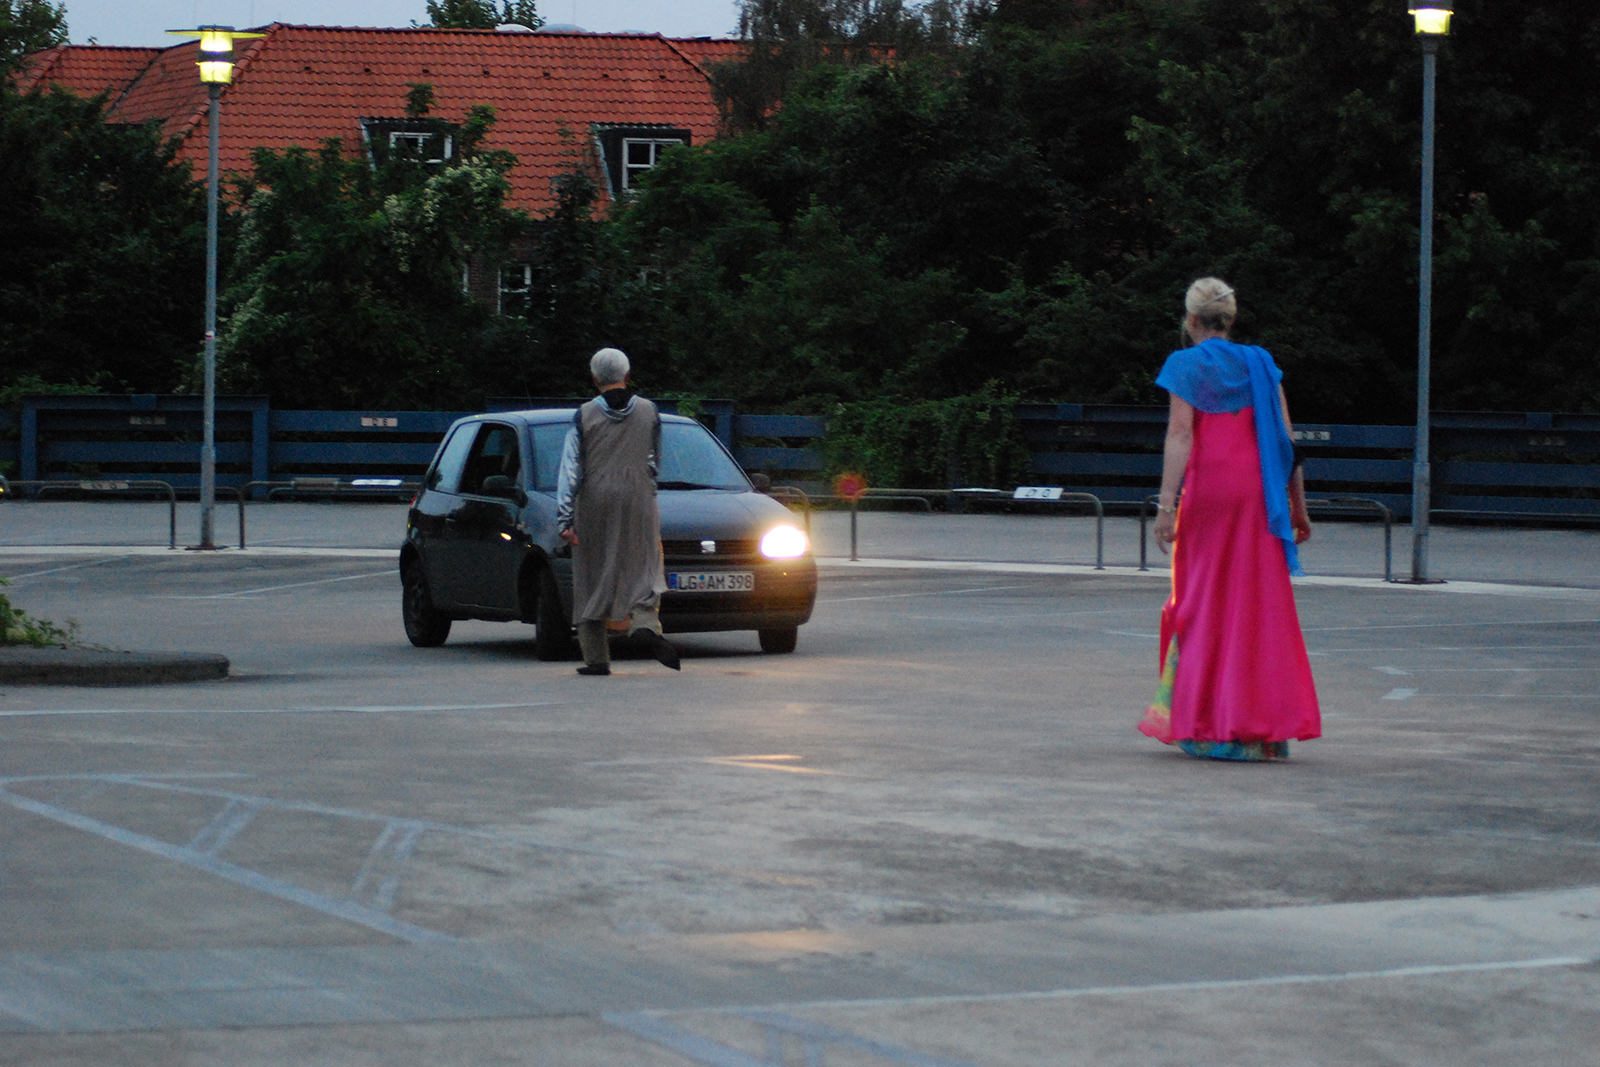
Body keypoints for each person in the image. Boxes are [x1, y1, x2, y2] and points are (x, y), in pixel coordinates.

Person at [1138, 278, 1320, 760]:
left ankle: (1205, 723)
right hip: (1259, 497)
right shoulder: (1260, 363)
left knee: (1200, 604)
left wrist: (1165, 506)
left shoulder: (1185, 364)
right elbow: (1286, 442)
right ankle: (1261, 727)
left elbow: (1180, 436)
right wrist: (1299, 508)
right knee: (1254, 608)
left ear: (1192, 320)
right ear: (1230, 319)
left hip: (1211, 497)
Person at [555, 347, 680, 676]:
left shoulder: (583, 416)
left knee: (592, 573)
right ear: (627, 375)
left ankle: (597, 658)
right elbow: (654, 460)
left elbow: (570, 471)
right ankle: (646, 625)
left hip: (595, 499)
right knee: (644, 566)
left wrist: (564, 520)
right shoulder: (650, 411)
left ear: (595, 379)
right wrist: (645, 490)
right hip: (638, 497)